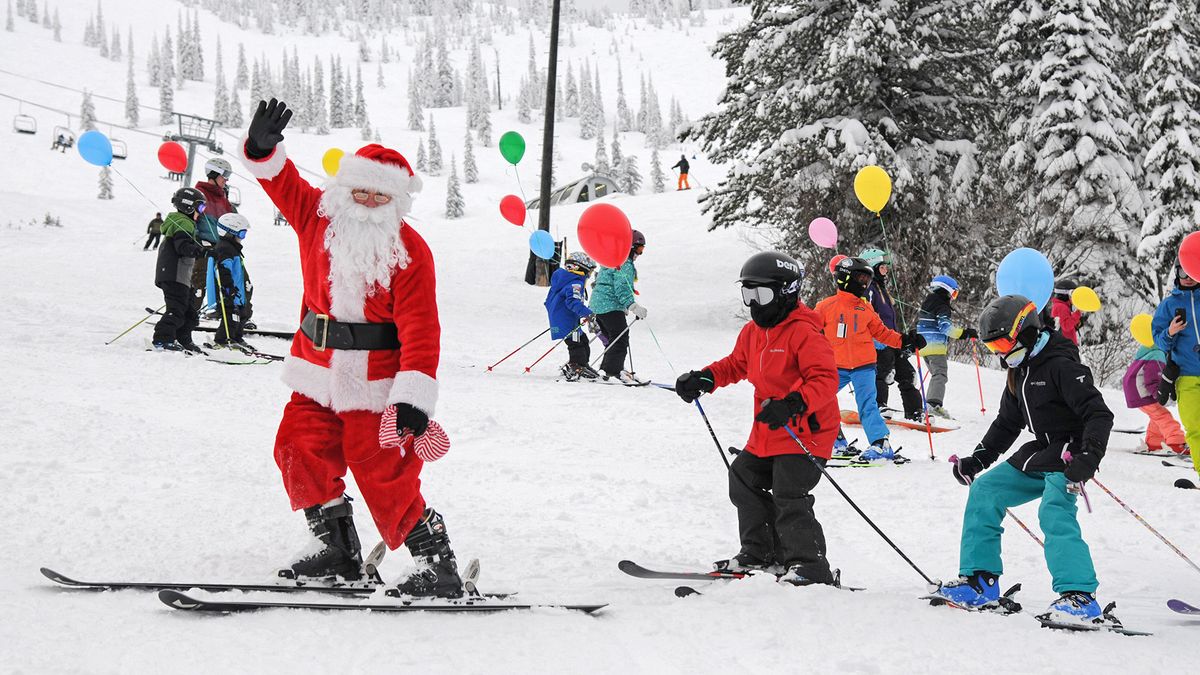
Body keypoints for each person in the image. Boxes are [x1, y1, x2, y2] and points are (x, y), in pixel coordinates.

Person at [239, 98, 461, 597]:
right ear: (345, 188)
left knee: (383, 470)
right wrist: (261, 148)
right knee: (298, 446)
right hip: (315, 372)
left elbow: (423, 328)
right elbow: (280, 181)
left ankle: (436, 562)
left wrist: (413, 398)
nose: (366, 202)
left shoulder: (411, 251)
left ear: (396, 202)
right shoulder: (317, 219)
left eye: (379, 197)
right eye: (358, 190)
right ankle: (337, 549)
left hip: (378, 384)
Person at [932, 295, 1115, 626]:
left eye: (1003, 342)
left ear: (1027, 331)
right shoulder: (1019, 370)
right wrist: (978, 459)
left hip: (1070, 454)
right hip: (1040, 452)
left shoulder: (1061, 364)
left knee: (1054, 511)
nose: (1000, 352)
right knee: (985, 491)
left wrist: (1089, 456)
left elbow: (1098, 413)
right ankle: (980, 582)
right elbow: (1007, 422)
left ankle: (1081, 598)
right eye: (993, 347)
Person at [674, 251, 841, 584]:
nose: (753, 304)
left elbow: (825, 378)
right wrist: (705, 378)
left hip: (805, 431)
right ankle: (760, 553)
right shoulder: (754, 332)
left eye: (760, 294)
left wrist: (795, 403)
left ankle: (810, 565)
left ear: (786, 292)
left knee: (788, 490)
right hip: (768, 431)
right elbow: (736, 364)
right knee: (743, 477)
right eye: (747, 293)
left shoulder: (804, 332)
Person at [814, 257, 924, 463]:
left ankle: (881, 444)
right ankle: (835, 441)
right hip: (835, 366)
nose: (865, 283)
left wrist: (905, 341)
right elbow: (808, 331)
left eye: (867, 279)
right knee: (820, 399)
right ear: (846, 279)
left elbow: (882, 333)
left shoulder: (865, 308)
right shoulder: (825, 307)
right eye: (861, 278)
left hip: (863, 366)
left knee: (867, 405)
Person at [860, 247, 922, 422]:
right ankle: (878, 405)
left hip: (892, 338)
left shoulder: (882, 289)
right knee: (883, 373)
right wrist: (873, 338)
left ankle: (915, 411)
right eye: (882, 267)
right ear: (872, 268)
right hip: (879, 340)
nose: (886, 271)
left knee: (907, 374)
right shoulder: (869, 289)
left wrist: (903, 339)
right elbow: (865, 314)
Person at [1151, 264, 1200, 476]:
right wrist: (1170, 332)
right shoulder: (1169, 305)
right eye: (1183, 273)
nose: (1187, 278)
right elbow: (1159, 343)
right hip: (1186, 376)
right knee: (1195, 428)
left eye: (1192, 273)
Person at [151, 188, 210, 353]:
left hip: (182, 276)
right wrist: (201, 251)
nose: (202, 213)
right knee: (176, 309)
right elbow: (183, 246)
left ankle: (184, 339)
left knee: (190, 311)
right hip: (174, 274)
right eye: (200, 208)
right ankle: (162, 340)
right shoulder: (182, 222)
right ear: (188, 207)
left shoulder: (185, 223)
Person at [590, 230, 648, 385]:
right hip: (610, 305)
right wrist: (633, 306)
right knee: (620, 338)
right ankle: (612, 372)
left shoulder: (611, 260)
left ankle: (609, 370)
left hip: (599, 305)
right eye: (639, 249)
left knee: (614, 339)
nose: (639, 254)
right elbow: (621, 287)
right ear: (630, 247)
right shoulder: (625, 263)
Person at [917, 275, 977, 419]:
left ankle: (930, 404)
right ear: (947, 290)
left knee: (936, 375)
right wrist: (965, 333)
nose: (953, 297)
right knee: (940, 374)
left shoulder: (928, 303)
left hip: (923, 346)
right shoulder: (942, 306)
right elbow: (946, 328)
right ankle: (933, 405)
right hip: (935, 346)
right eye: (954, 293)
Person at [1121, 338, 1187, 455]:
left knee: (1157, 416)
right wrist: (1159, 395)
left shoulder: (1151, 352)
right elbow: (1153, 379)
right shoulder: (1157, 354)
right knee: (1163, 416)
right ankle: (1177, 443)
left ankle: (1155, 442)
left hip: (1137, 391)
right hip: (1142, 392)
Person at [194, 157, 238, 319]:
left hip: (222, 247)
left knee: (226, 278)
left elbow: (231, 220)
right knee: (201, 277)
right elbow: (192, 218)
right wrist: (197, 239)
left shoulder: (223, 199)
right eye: (224, 175)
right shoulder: (200, 194)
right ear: (213, 174)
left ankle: (224, 311)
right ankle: (190, 310)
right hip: (204, 245)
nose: (226, 179)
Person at [546, 251, 600, 381]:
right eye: (590, 271)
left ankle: (582, 364)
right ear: (580, 268)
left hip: (567, 320)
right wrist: (588, 313)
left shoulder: (568, 281)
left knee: (583, 340)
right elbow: (573, 302)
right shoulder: (575, 283)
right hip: (566, 321)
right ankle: (575, 366)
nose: (590, 275)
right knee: (576, 344)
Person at [210, 213, 254, 351]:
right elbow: (223, 269)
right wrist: (228, 287)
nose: (242, 239)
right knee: (231, 316)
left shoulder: (233, 249)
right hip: (228, 291)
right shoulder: (225, 249)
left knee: (243, 313)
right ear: (230, 232)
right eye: (241, 234)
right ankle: (222, 340)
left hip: (237, 292)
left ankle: (236, 337)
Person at [1050, 279, 1084, 345]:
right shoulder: (1061, 307)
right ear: (1066, 294)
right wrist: (1077, 313)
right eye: (1073, 294)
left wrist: (1077, 322)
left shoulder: (1060, 305)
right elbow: (1066, 326)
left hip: (1065, 344)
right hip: (1065, 345)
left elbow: (1064, 323)